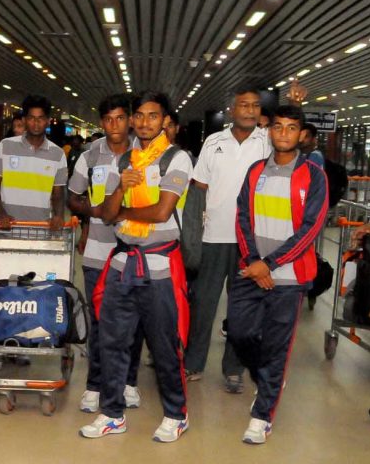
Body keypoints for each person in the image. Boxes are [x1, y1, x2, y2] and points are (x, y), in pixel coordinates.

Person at [80, 91, 192, 442]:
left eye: (153, 116)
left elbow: (161, 211)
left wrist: (123, 210)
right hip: (123, 261)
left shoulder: (177, 158)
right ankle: (112, 413)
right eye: (139, 116)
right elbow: (106, 213)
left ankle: (176, 413)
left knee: (163, 344)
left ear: (165, 120)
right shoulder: (127, 159)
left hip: (160, 264)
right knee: (112, 340)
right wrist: (120, 190)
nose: (144, 123)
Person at [185, 85, 305, 393]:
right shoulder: (214, 142)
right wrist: (192, 238)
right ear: (231, 111)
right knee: (203, 304)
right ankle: (193, 363)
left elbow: (290, 149)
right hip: (213, 237)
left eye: (255, 106)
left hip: (248, 243)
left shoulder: (267, 142)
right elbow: (198, 189)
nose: (250, 110)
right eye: (244, 105)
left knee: (240, 311)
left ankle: (233, 369)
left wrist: (292, 105)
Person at [226, 105, 328, 444]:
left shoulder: (314, 175)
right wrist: (256, 263)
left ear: (302, 134)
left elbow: (310, 229)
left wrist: (269, 265)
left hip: (289, 277)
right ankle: (264, 375)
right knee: (239, 333)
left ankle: (262, 417)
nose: (284, 133)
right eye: (278, 127)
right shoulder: (256, 171)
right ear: (270, 131)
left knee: (276, 347)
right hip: (252, 270)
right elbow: (242, 219)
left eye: (291, 128)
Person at [67, 94, 142, 413]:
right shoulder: (89, 156)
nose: (114, 125)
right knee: (99, 322)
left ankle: (128, 383)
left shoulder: (146, 155)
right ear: (101, 123)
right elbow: (72, 197)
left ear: (130, 120)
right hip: (98, 252)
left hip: (135, 253)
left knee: (133, 323)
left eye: (120, 118)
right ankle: (94, 386)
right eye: (108, 119)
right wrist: (93, 210)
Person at [0, 94, 66, 231]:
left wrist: (59, 215)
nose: (36, 123)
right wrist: (1, 213)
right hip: (8, 227)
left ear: (48, 121)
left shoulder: (58, 154)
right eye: (31, 118)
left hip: (41, 229)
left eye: (40, 118)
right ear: (24, 120)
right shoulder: (6, 146)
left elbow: (58, 193)